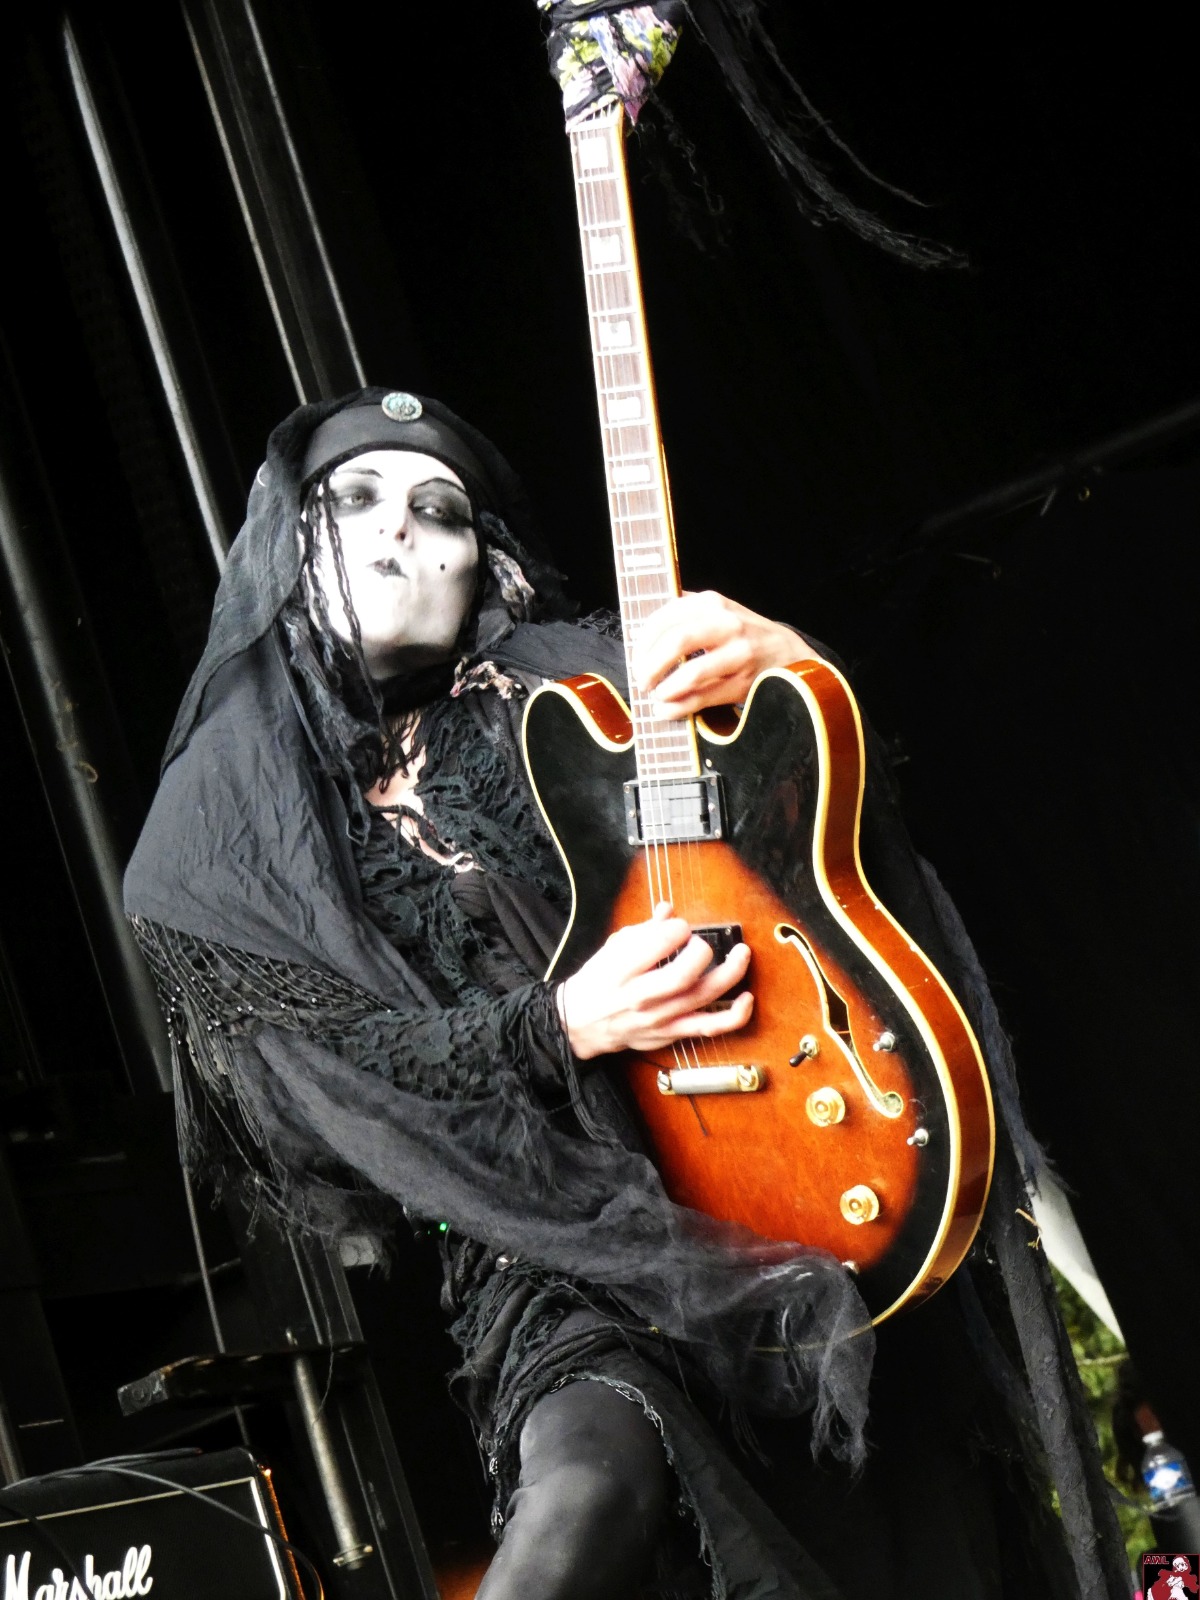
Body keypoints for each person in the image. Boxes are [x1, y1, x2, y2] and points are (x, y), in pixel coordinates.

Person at [125, 387, 1129, 1600]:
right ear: (286, 542)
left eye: (440, 510)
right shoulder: (221, 826)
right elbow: (333, 1078)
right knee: (589, 1485)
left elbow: (806, 848)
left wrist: (797, 672)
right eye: (356, 498)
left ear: (487, 569)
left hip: (779, 1171)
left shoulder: (576, 690)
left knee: (909, 1539)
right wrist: (560, 1024)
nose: (398, 528)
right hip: (548, 1242)